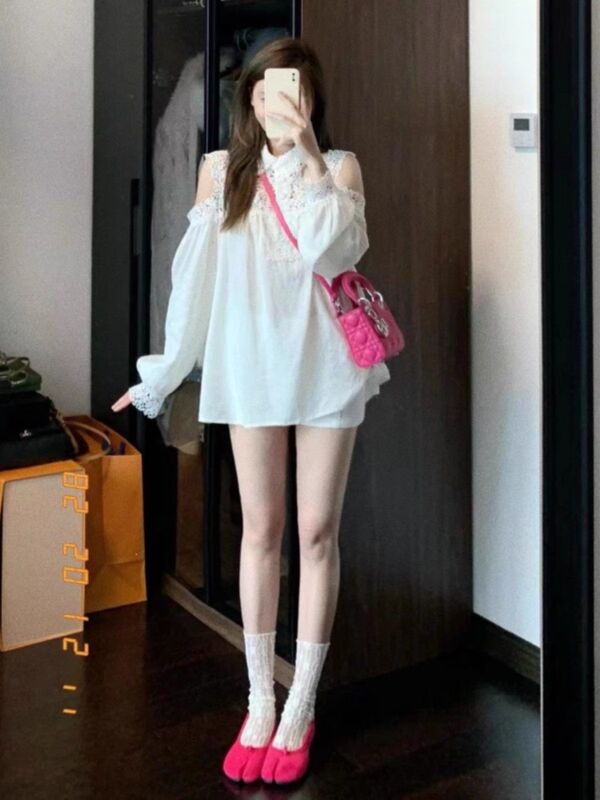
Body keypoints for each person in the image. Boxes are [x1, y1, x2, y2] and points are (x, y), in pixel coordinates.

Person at [112, 36, 391, 786]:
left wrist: (308, 157)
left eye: (290, 89)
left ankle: (302, 704)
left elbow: (335, 255)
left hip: (326, 370)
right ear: (249, 98)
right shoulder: (219, 173)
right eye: (264, 89)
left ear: (311, 99)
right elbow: (194, 286)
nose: (275, 101)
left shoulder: (339, 169)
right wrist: (162, 372)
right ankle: (260, 699)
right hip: (250, 369)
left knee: (317, 533)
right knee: (261, 530)